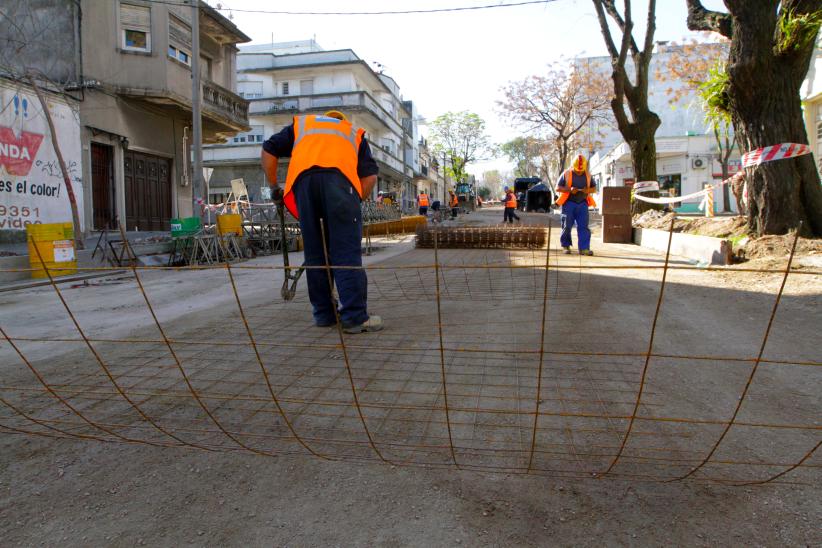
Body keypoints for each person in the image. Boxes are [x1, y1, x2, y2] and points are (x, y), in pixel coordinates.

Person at [261, 110, 383, 333]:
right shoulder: (352, 133)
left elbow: (268, 149)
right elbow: (370, 177)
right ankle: (355, 317)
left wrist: (274, 187)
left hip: (303, 184)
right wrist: (352, 202)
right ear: (342, 121)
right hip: (340, 184)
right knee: (345, 251)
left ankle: (324, 314)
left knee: (315, 253)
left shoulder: (303, 126)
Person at [556, 154, 597, 256]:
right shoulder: (566, 173)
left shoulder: (588, 175)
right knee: (567, 226)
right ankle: (565, 246)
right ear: (573, 166)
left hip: (582, 203)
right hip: (568, 203)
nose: (579, 172)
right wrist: (569, 189)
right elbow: (558, 188)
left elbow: (594, 188)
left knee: (584, 226)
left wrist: (587, 190)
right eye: (577, 170)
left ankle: (584, 249)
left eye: (581, 170)